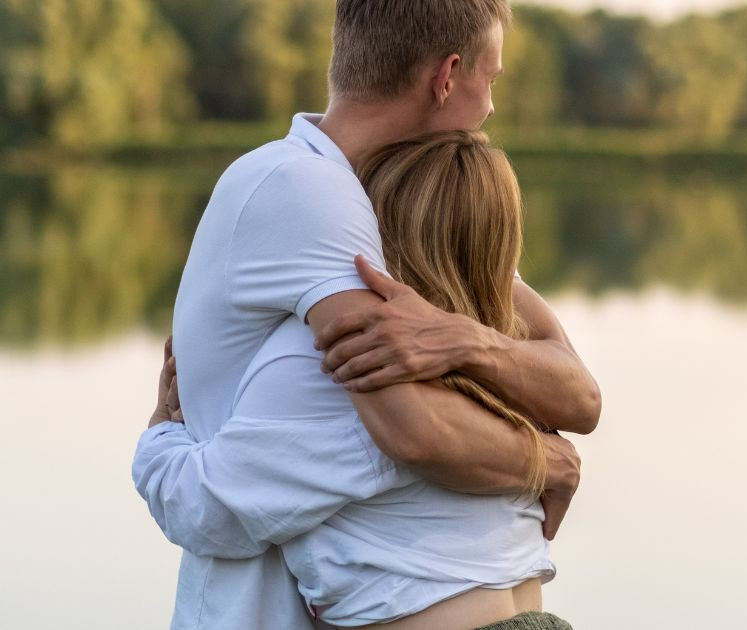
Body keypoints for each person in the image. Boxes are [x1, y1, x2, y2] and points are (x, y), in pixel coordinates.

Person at [132, 1, 600, 629]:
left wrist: (467, 342)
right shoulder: (309, 192)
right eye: (491, 80)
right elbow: (410, 432)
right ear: (447, 76)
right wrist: (545, 461)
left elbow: (580, 397)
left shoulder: (418, 213)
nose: (490, 107)